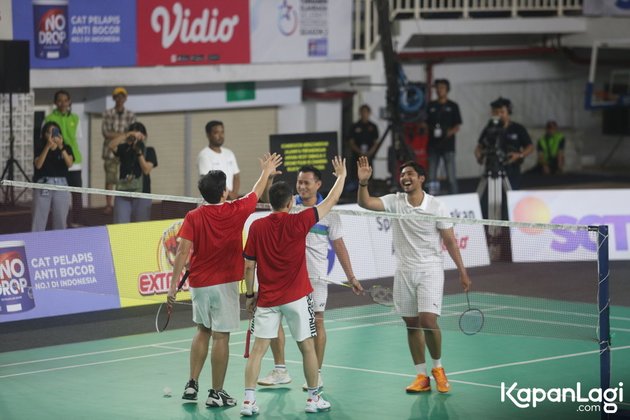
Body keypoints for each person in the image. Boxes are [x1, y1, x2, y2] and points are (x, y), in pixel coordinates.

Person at [167, 153, 282, 409]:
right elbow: (255, 192)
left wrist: (173, 285)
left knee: (201, 330)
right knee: (221, 337)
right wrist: (267, 171)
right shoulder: (234, 210)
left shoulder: (193, 216)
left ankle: (191, 383)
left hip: (198, 284)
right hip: (225, 284)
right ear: (223, 193)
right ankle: (216, 392)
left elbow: (183, 252)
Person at [241, 157, 347, 416]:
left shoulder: (256, 226)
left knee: (257, 350)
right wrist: (342, 176)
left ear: (270, 200)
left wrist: (250, 295)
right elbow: (330, 202)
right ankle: (313, 399)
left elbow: (248, 267)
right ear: (291, 203)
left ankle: (248, 402)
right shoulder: (299, 221)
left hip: (267, 298)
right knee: (307, 347)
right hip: (298, 298)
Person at [356, 156, 471, 394]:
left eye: (409, 174)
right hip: (404, 271)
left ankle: (438, 368)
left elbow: (449, 241)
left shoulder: (437, 206)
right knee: (411, 324)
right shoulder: (395, 201)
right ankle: (421, 375)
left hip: (430, 269)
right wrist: (363, 183)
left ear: (421, 179)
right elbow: (365, 203)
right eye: (402, 175)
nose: (404, 178)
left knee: (428, 321)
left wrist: (462, 272)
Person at [257, 165, 363, 390]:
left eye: (307, 182)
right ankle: (280, 370)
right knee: (275, 320)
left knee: (317, 322)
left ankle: (316, 373)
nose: (302, 187)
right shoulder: (289, 204)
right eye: (299, 182)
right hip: (287, 277)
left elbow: (339, 245)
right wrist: (269, 178)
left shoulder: (328, 212)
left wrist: (351, 276)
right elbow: (270, 203)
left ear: (318, 185)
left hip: (315, 278)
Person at [474, 97, 533, 190]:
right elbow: (479, 146)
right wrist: (479, 155)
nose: (499, 115)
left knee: (510, 197)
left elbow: (530, 147)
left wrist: (520, 155)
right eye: (495, 112)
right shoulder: (489, 128)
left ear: (508, 112)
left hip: (511, 169)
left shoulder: (518, 128)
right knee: (488, 197)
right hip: (491, 168)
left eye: (502, 112)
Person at [44, 90, 83, 227]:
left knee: (77, 195)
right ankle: (60, 225)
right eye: (59, 100)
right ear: (55, 102)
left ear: (69, 101)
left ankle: (76, 222)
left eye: (65, 100)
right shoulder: (49, 119)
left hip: (74, 162)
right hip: (58, 163)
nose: (63, 103)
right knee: (60, 197)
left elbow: (77, 139)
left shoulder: (76, 118)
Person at [108, 122, 158, 223]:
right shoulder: (124, 148)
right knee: (121, 226)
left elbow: (146, 170)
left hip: (142, 193)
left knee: (141, 228)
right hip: (123, 192)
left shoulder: (149, 150)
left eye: (139, 135)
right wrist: (126, 135)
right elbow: (111, 146)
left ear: (145, 136)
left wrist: (139, 152)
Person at [31, 122, 74, 231]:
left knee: (60, 220)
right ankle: (36, 244)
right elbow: (38, 165)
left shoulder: (66, 147)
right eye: (48, 132)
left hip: (61, 186)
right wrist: (47, 146)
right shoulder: (40, 146)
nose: (52, 135)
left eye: (54, 132)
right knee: (39, 219)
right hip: (44, 184)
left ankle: (60, 245)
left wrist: (61, 147)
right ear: (44, 134)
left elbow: (69, 163)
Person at [101, 87, 136, 215]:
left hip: (126, 151)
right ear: (114, 98)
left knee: (124, 177)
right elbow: (106, 133)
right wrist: (124, 135)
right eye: (117, 97)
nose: (119, 99)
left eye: (122, 96)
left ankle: (121, 203)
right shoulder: (107, 113)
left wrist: (121, 135)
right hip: (110, 151)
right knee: (110, 178)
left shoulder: (131, 114)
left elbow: (132, 133)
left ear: (125, 98)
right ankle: (109, 204)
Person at [426, 79, 462, 195]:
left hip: (448, 145)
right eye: (437, 87)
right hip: (433, 145)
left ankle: (456, 199)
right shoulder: (431, 105)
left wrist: (447, 133)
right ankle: (432, 200)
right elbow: (424, 122)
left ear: (447, 90)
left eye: (442, 87)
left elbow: (457, 125)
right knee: (431, 176)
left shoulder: (453, 106)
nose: (439, 90)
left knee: (451, 176)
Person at [197, 120, 240, 199]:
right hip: (213, 202)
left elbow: (236, 176)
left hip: (229, 200)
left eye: (222, 132)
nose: (220, 136)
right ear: (208, 135)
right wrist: (227, 194)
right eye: (216, 133)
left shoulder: (229, 153)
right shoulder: (204, 155)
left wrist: (234, 194)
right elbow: (209, 181)